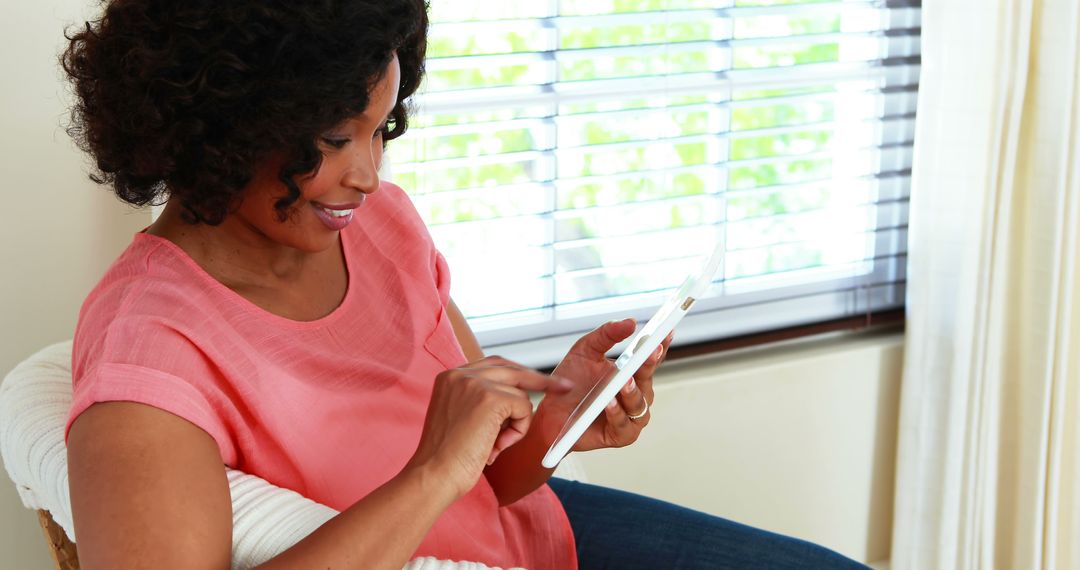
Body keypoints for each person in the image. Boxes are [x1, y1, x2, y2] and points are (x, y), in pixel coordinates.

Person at [60, 1, 869, 568]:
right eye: (338, 140)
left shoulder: (380, 226)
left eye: (382, 129)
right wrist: (432, 472)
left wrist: (559, 417)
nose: (368, 177)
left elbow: (489, 477)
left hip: (542, 539)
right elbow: (445, 472)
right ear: (222, 130)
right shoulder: (153, 350)